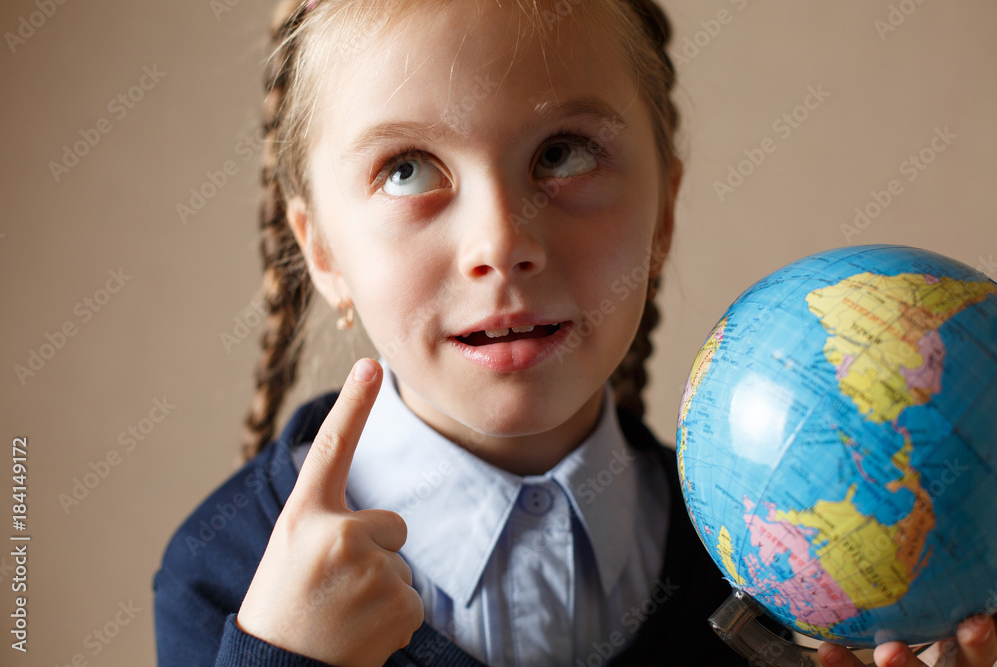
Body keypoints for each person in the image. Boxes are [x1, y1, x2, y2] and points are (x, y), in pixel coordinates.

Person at [152, 0, 997, 665]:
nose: (502, 244)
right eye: (406, 169)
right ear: (324, 251)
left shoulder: (780, 563)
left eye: (563, 154)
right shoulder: (223, 581)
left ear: (663, 212)